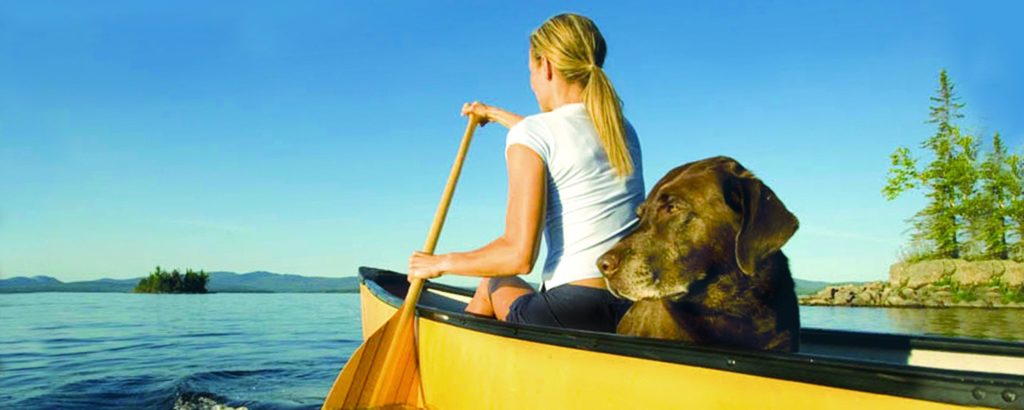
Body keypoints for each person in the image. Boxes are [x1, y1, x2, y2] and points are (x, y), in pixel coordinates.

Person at [408, 13, 644, 333]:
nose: (531, 83)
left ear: (545, 65)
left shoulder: (535, 133)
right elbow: (557, 139)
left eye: (530, 71)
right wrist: (491, 113)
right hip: (630, 306)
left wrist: (438, 263)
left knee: (493, 282)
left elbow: (517, 257)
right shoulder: (620, 130)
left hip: (573, 308)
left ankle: (457, 363)